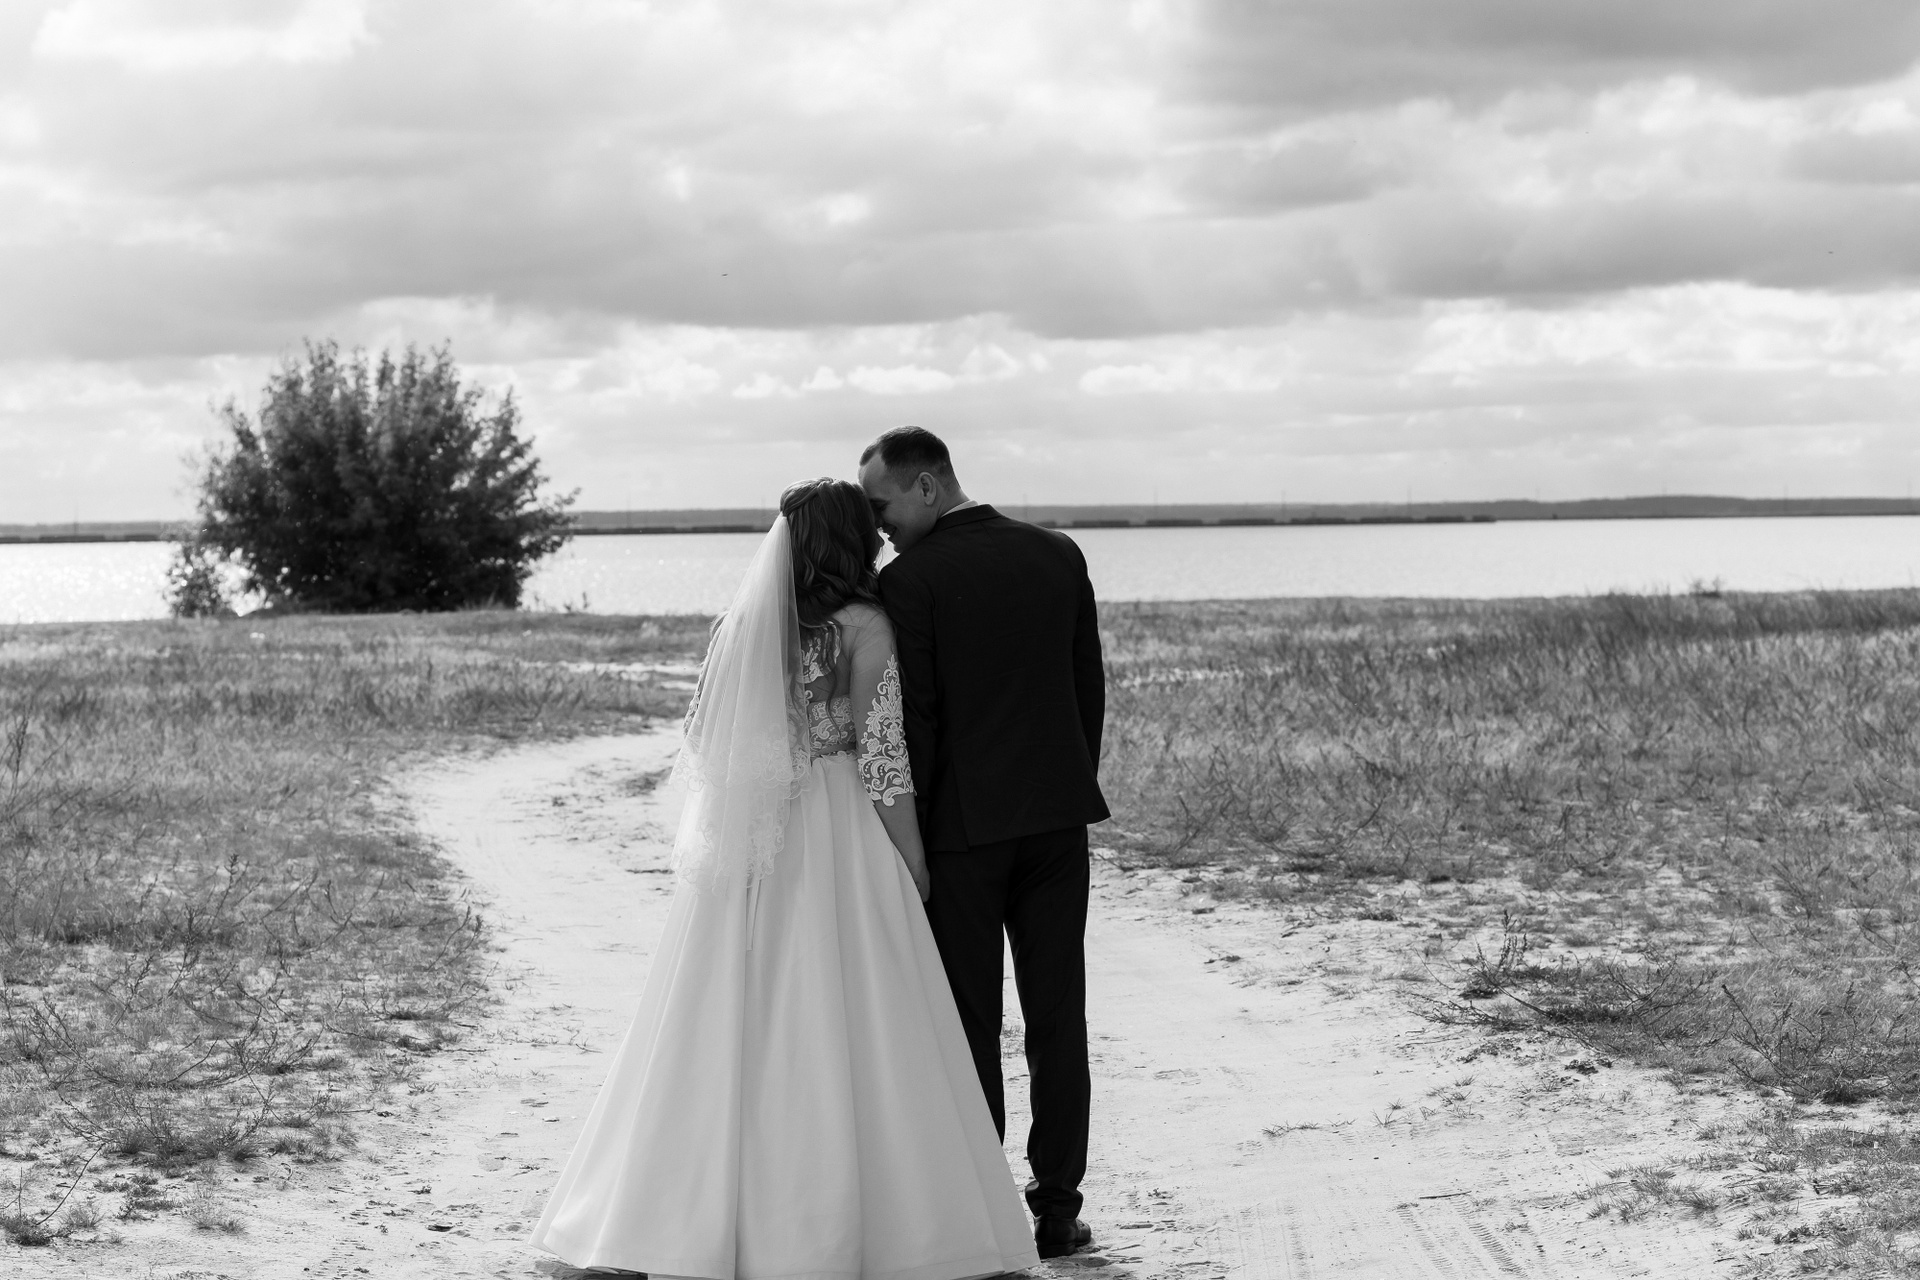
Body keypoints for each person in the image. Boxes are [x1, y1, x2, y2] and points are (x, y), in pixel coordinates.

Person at [532, 478, 1038, 1280]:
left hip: (759, 834)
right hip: (840, 826)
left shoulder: (746, 623)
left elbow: (710, 742)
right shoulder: (866, 625)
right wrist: (912, 859)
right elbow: (882, 760)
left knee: (722, 1015)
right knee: (863, 1008)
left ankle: (669, 1220)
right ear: (852, 540)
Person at [859, 427, 1108, 1260]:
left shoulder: (910, 581)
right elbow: (1086, 687)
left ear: (927, 486)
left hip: (963, 835)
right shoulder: (1057, 553)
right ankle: (1059, 1209)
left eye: (884, 506)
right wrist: (1065, 785)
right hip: (1055, 823)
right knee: (1058, 1015)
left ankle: (986, 1210)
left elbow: (919, 720)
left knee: (969, 1023)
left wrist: (917, 843)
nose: (880, 526)